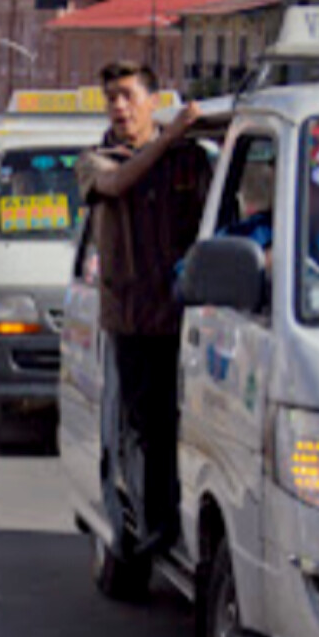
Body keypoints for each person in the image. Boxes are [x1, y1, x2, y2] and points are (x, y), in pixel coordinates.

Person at [76, 61, 211, 558]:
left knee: (187, 427)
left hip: (188, 314)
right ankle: (154, 523)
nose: (119, 105)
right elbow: (116, 185)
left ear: (153, 100)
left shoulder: (189, 158)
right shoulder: (95, 159)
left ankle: (180, 516)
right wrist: (169, 136)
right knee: (143, 423)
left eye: (129, 95)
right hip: (132, 317)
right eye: (111, 96)